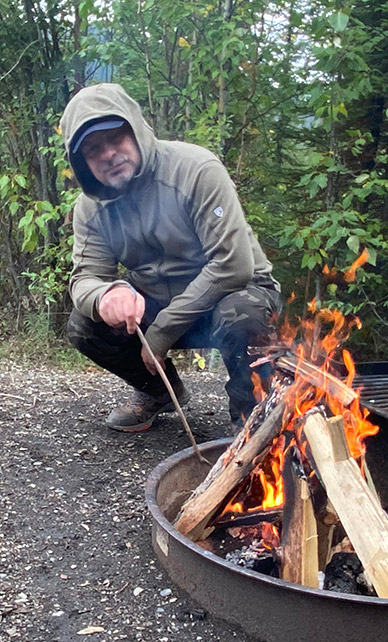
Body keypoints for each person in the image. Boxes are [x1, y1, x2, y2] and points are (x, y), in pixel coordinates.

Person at [61, 83, 282, 432]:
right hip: (157, 301)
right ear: (82, 162)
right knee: (84, 325)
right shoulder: (90, 208)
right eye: (92, 149)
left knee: (242, 313)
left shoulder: (195, 170)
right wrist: (106, 295)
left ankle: (253, 421)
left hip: (231, 295)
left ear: (136, 130)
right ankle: (160, 392)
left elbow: (233, 265)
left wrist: (161, 333)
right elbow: (85, 278)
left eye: (116, 138)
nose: (108, 154)